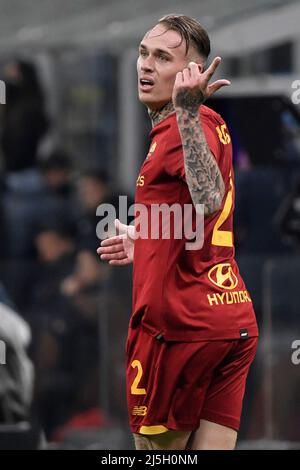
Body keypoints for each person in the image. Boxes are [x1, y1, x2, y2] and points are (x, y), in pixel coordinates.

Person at [97, 14, 259, 450]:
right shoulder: (212, 124)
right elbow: (201, 215)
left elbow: (208, 197)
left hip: (181, 327)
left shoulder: (184, 126)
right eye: (143, 53)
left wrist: (185, 113)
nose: (146, 66)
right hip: (230, 318)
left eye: (162, 58)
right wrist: (149, 239)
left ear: (191, 74)